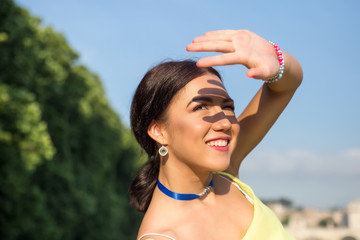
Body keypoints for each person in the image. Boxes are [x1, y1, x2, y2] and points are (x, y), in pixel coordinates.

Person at [129, 29, 303, 240]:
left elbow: (286, 86)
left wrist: (275, 58)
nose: (224, 122)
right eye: (201, 107)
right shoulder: (162, 236)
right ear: (158, 131)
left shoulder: (223, 172)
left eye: (228, 106)